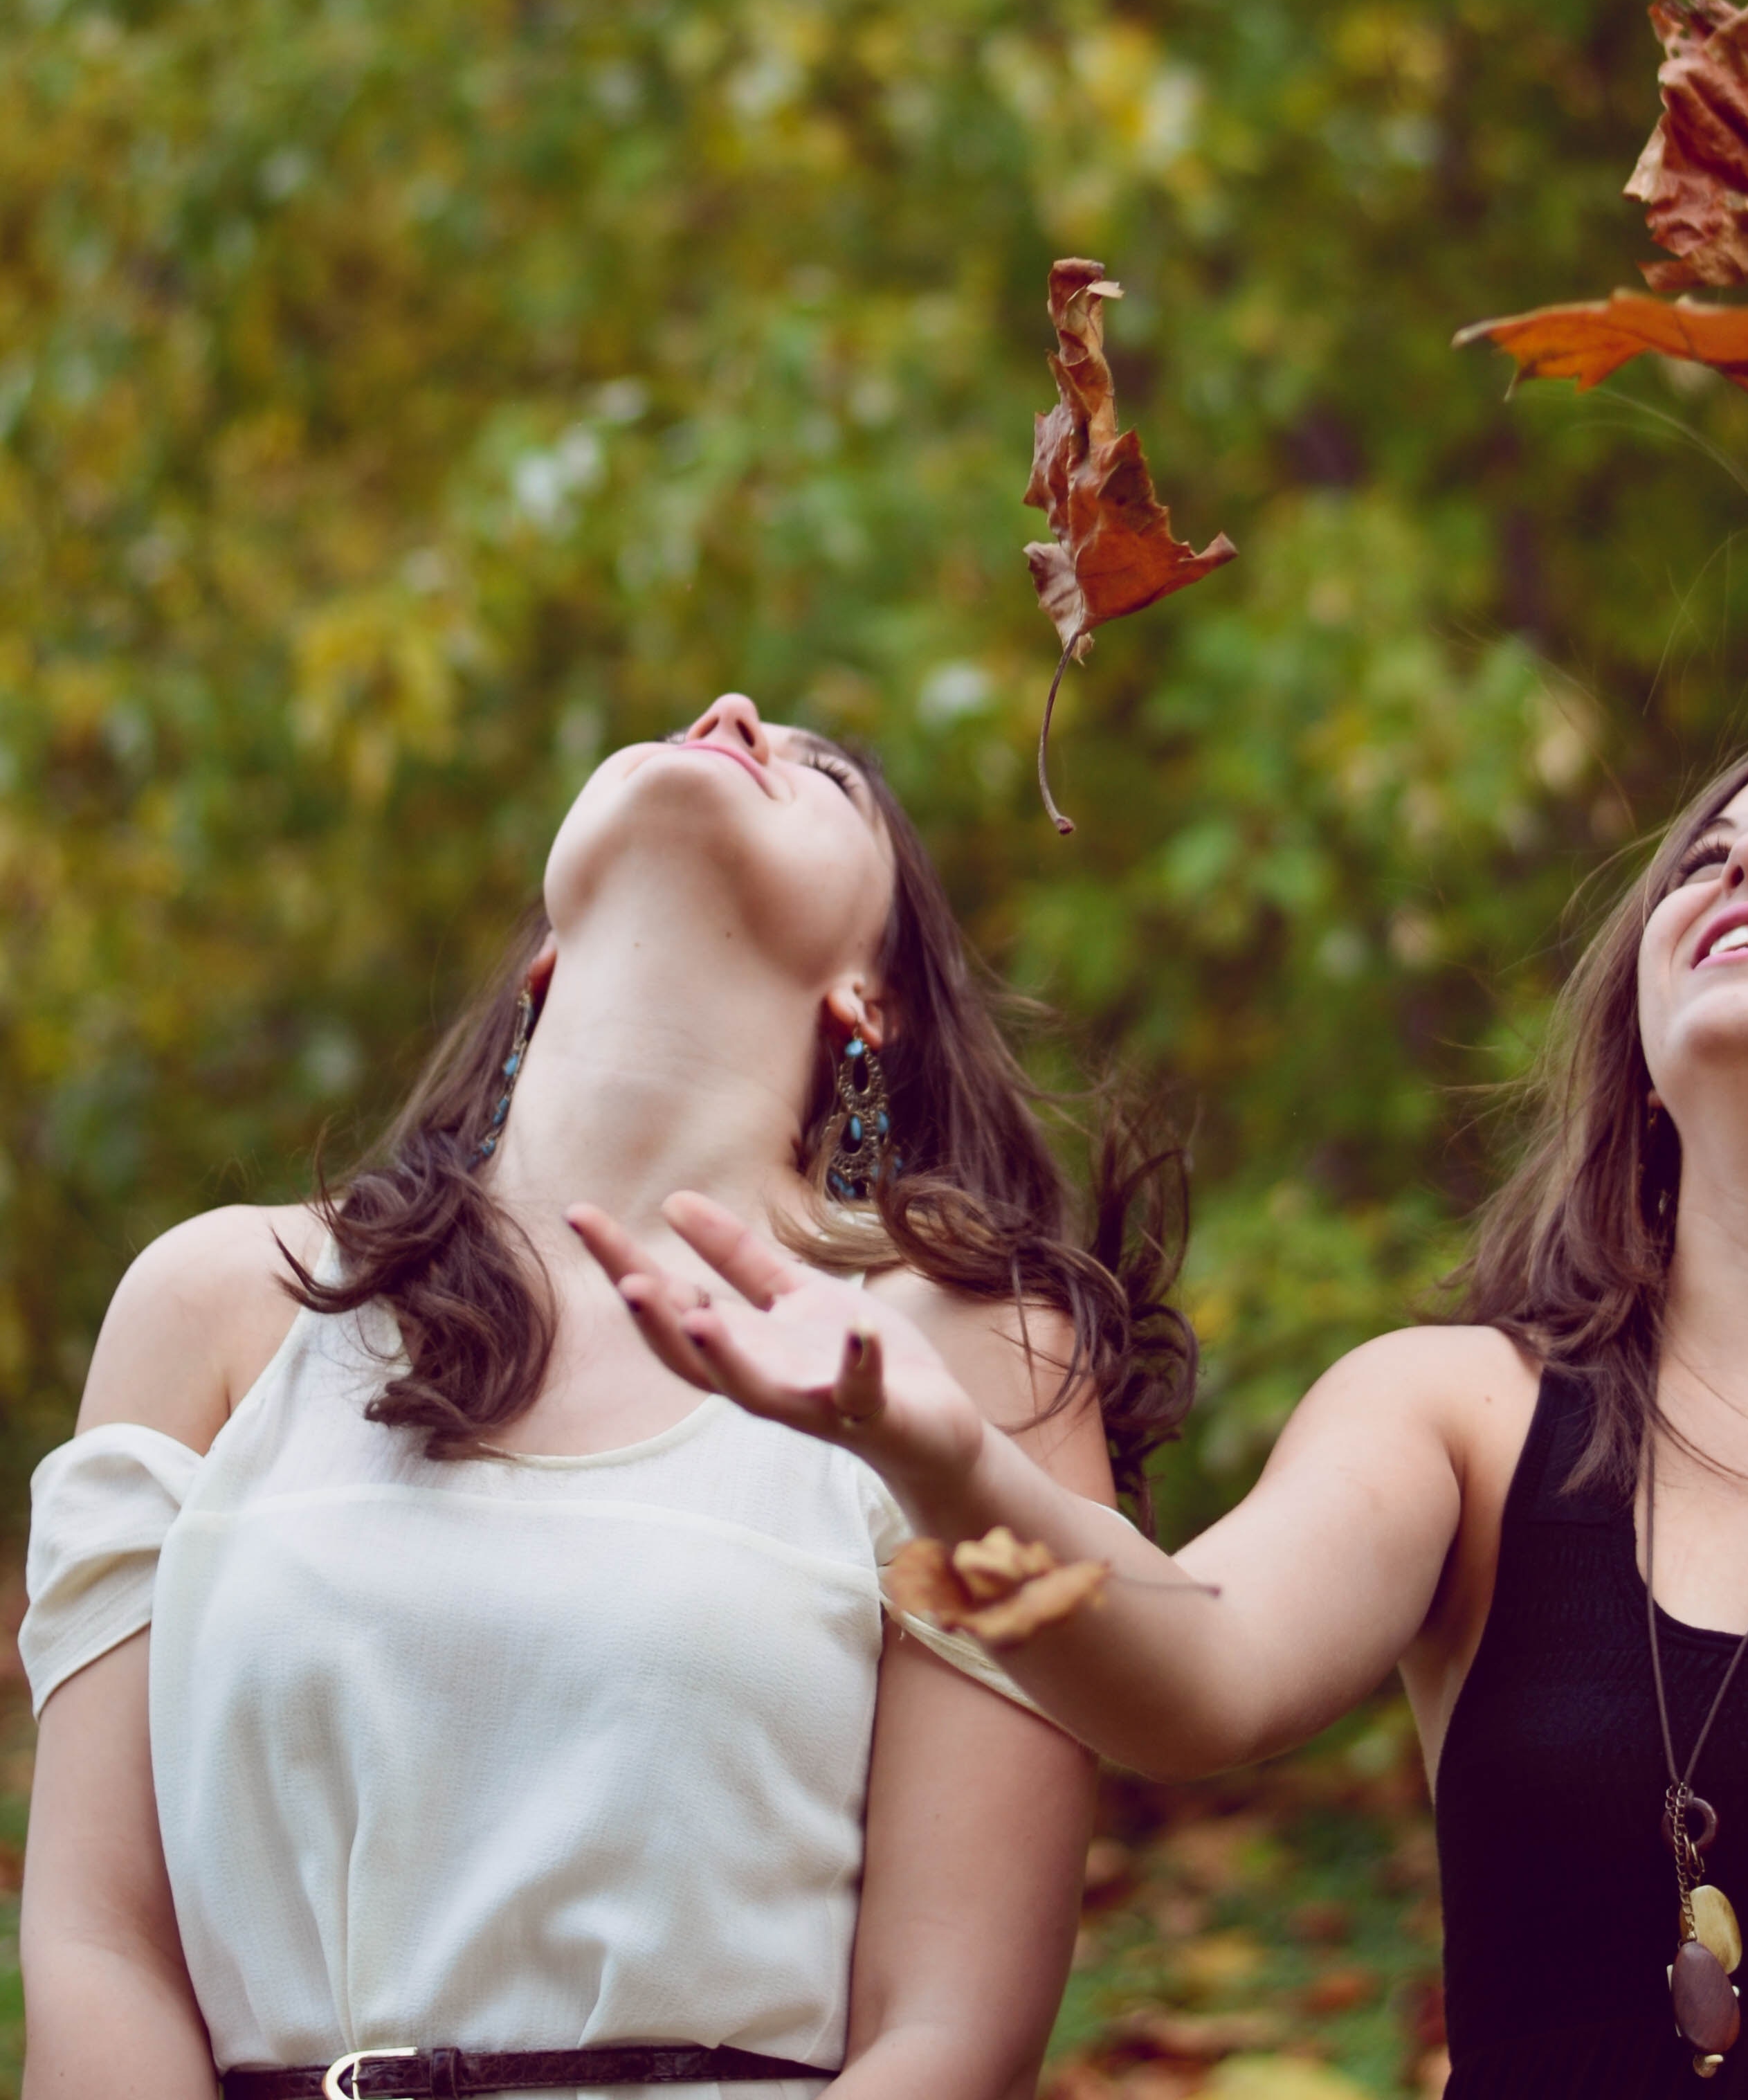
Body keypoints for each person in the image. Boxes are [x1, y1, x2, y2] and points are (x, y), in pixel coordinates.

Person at [577, 703, 1748, 2099]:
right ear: (1645, 1050)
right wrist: (938, 1452)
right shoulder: (1453, 1413)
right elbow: (1190, 1675)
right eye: (1705, 862)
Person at [19, 690, 1191, 2100]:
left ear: (868, 996)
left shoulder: (965, 1364)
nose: (735, 713)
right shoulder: (217, 1305)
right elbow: (94, 1948)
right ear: (544, 955)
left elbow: (949, 2029)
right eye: (698, 722)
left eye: (822, 774)